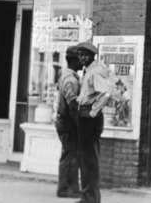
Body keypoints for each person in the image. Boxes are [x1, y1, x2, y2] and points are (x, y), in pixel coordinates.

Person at [75, 41, 112, 203]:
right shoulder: (89, 70)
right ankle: (88, 197)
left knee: (89, 159)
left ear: (92, 56)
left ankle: (90, 198)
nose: (82, 58)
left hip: (89, 118)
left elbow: (106, 94)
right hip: (86, 115)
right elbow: (90, 94)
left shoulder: (95, 71)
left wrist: (93, 111)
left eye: (85, 55)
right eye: (80, 55)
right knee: (86, 158)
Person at [54, 45, 81, 198]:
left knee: (68, 154)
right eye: (80, 58)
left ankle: (65, 187)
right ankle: (67, 189)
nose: (82, 62)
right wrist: (78, 123)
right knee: (72, 155)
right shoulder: (70, 80)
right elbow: (72, 105)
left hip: (64, 121)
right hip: (68, 122)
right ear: (74, 60)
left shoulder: (67, 76)